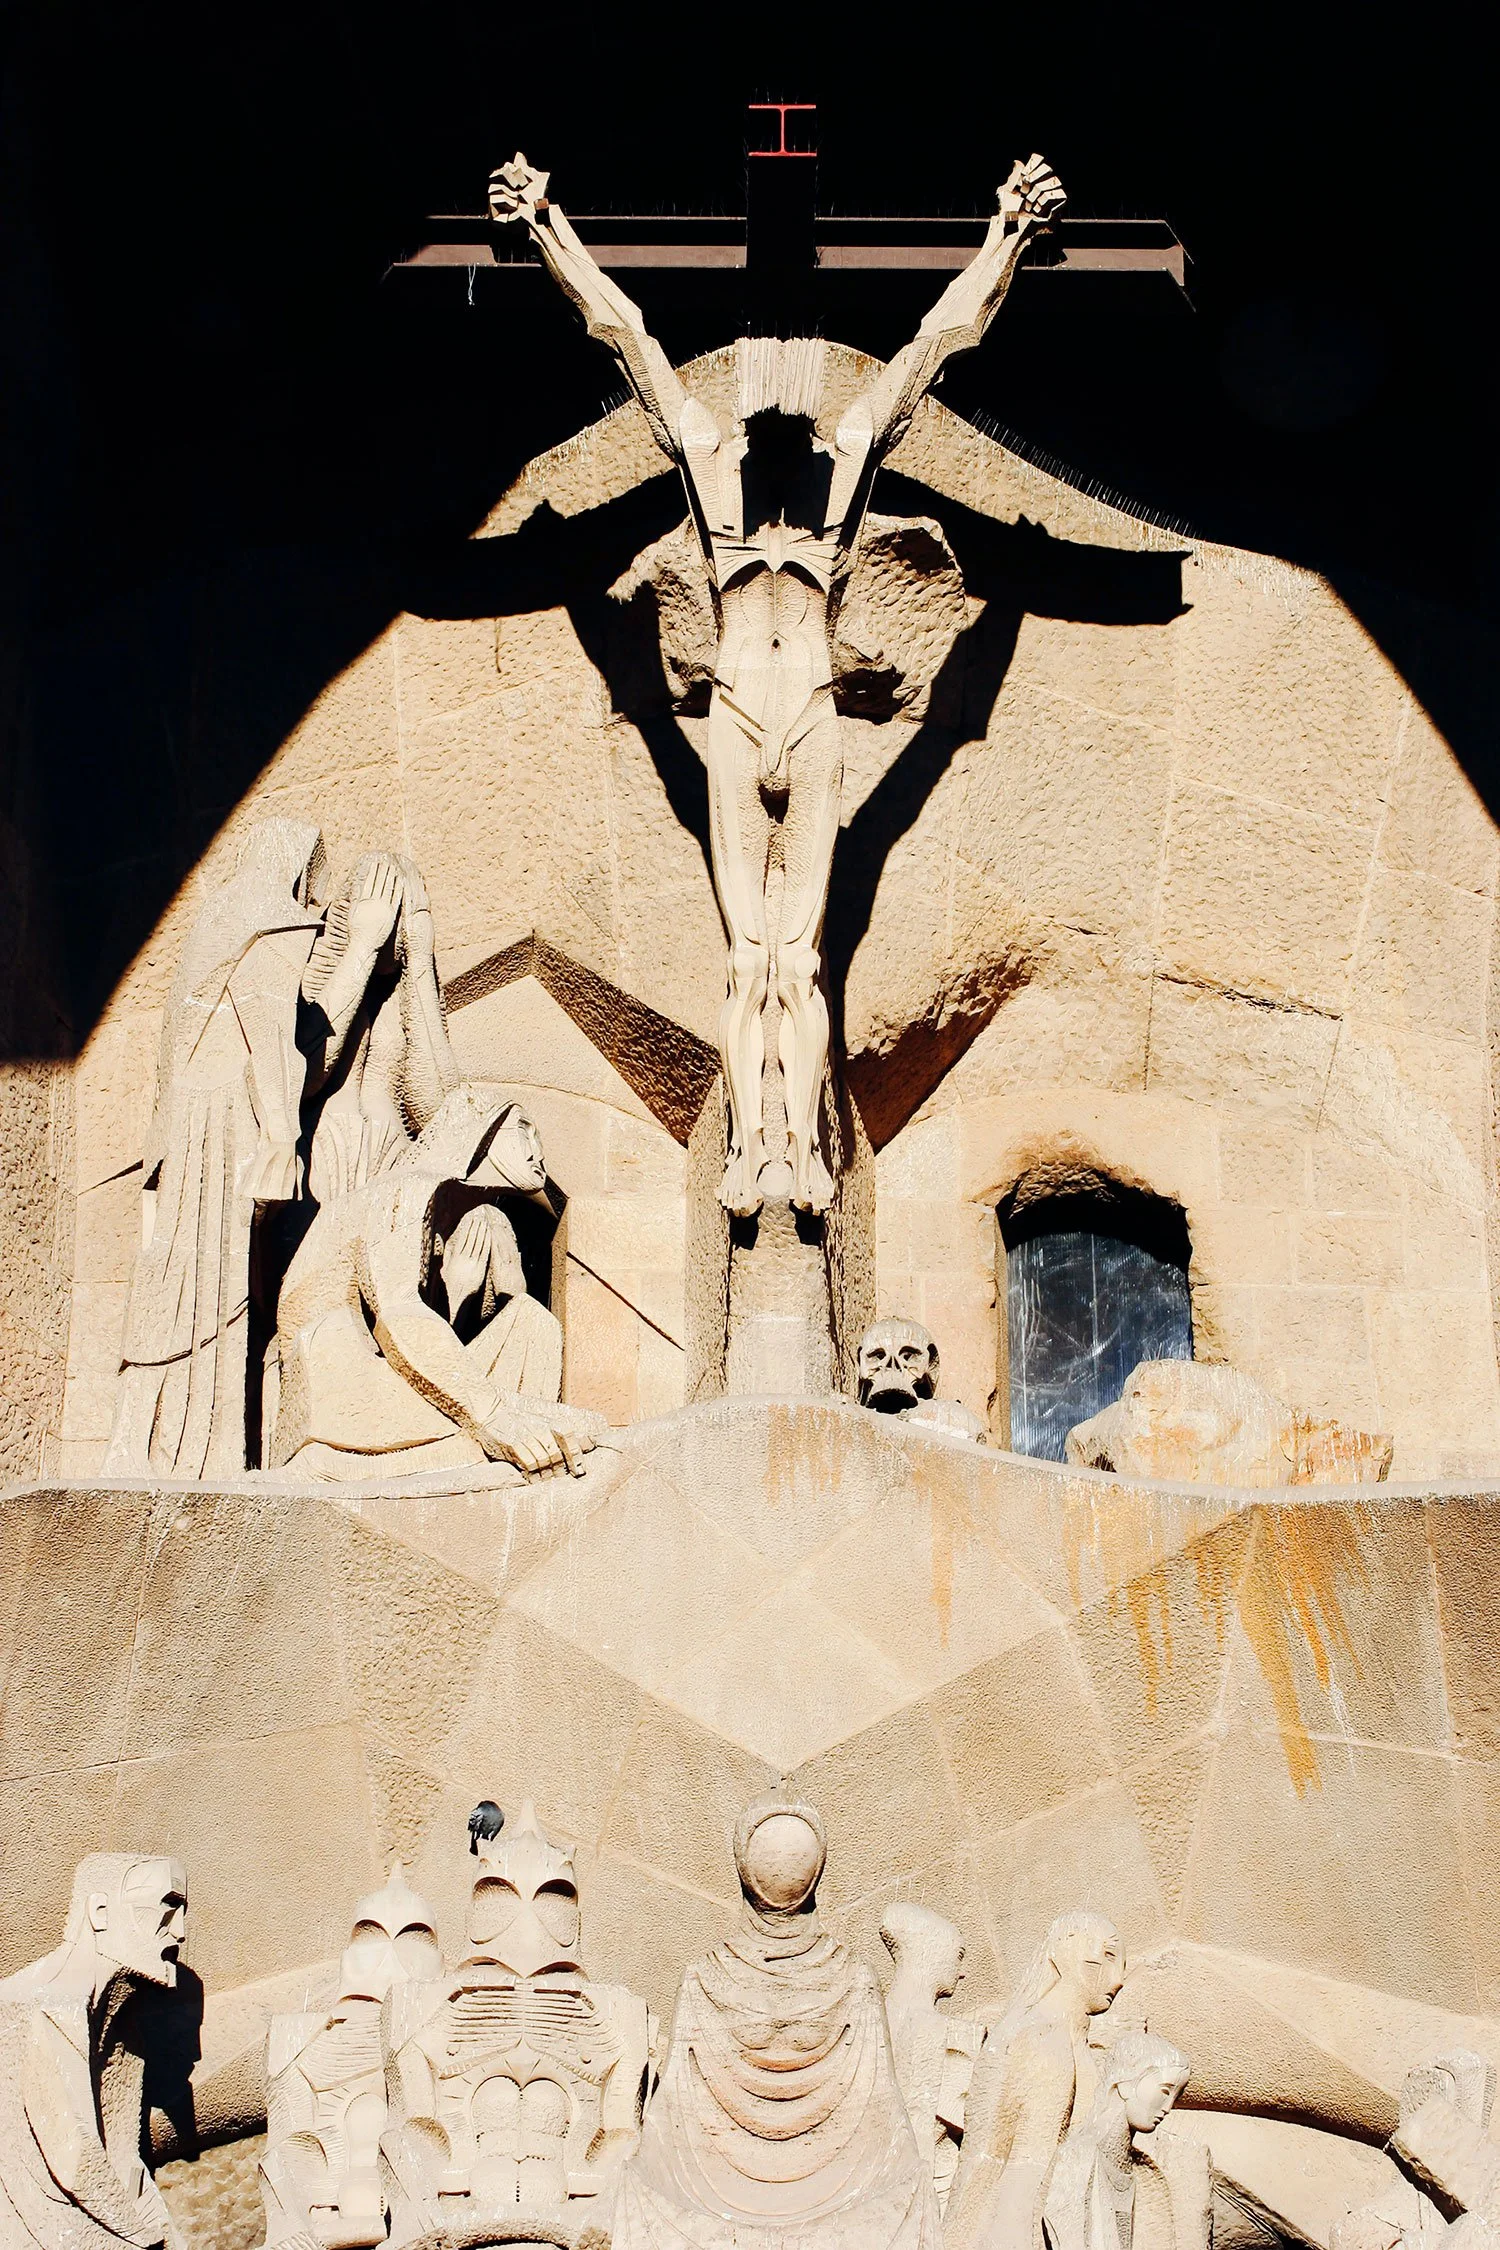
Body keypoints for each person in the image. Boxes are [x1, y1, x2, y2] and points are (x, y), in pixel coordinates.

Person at [489, 148, 1065, 1218]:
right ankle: (751, 1152)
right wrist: (544, 229)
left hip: (806, 717)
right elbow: (631, 344)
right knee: (746, 963)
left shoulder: (844, 486)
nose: (776, 436)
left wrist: (1008, 239)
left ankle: (800, 1153)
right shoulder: (709, 484)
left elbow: (929, 353)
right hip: (737, 717)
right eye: (766, 422)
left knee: (796, 962)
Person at [611, 1795, 940, 2250]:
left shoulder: (712, 1974)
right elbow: (672, 2122)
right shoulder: (711, 1975)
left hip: (827, 2190)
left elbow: (881, 2115)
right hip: (729, 2190)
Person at [106, 820, 327, 1477]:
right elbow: (267, 1036)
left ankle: (141, 1440)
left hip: (189, 1123)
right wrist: (284, 1135)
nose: (313, 903)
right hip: (224, 1120)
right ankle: (198, 1454)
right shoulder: (268, 922)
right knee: (205, 1281)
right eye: (312, 885)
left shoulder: (217, 918)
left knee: (172, 1277)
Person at [267, 1082, 598, 1480]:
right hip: (340, 1384)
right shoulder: (405, 1189)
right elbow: (397, 1314)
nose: (537, 1152)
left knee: (533, 1325)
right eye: (522, 1130)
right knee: (573, 1420)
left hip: (379, 1381)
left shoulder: (447, 1213)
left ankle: (513, 1450)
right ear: (480, 1130)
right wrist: (493, 1416)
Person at [946, 1912, 1126, 2250]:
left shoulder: (1066, 2041)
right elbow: (1025, 2173)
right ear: (1069, 1948)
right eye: (1108, 1956)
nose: (1118, 1979)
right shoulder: (1044, 2039)